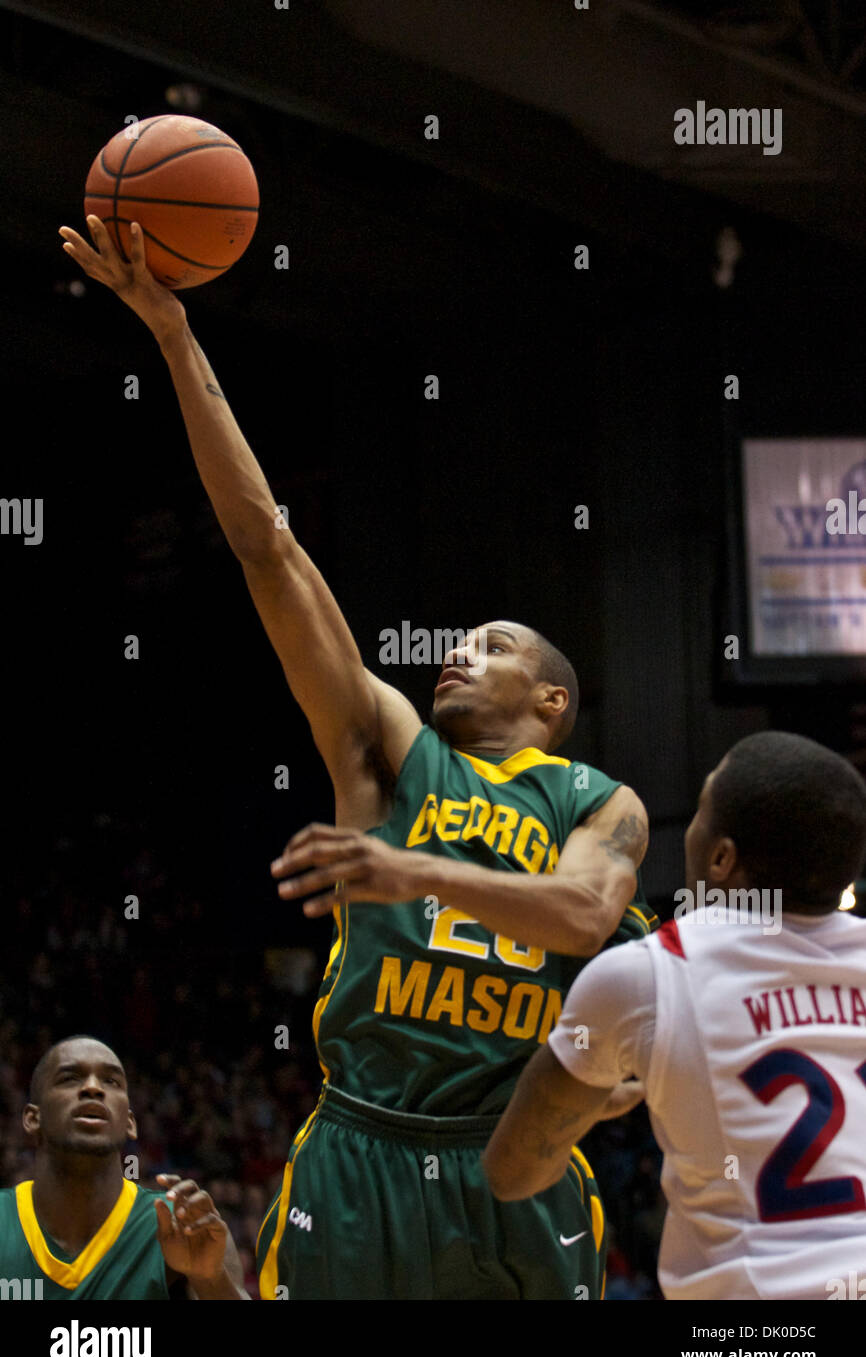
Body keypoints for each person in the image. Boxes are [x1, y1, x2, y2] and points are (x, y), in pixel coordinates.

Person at [58, 216, 657, 1300]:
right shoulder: (388, 754)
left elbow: (580, 919)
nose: (459, 654)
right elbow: (266, 545)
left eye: (494, 645)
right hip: (360, 1145)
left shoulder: (599, 804)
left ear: (553, 699)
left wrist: (410, 873)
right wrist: (175, 333)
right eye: (456, 642)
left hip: (511, 1158)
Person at [483, 731, 866, 1300]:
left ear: (721, 857)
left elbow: (511, 1173)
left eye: (702, 807)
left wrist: (578, 1116)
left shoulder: (647, 973)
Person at [0, 1035, 247, 1299]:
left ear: (130, 1122)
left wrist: (209, 1279)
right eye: (70, 1078)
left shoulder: (183, 1225)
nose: (93, 1088)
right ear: (32, 1118)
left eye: (111, 1081)